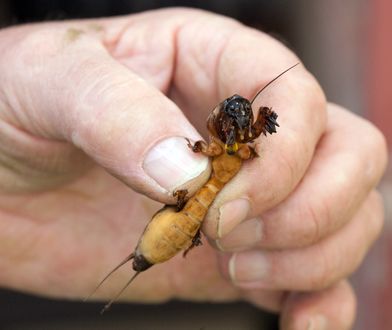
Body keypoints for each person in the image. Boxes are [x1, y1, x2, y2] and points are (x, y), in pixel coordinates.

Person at [0, 8, 386, 329]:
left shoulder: (239, 147)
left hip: (192, 227)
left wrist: (266, 125)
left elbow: (251, 150)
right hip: (179, 216)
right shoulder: (216, 146)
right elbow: (208, 146)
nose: (238, 120)